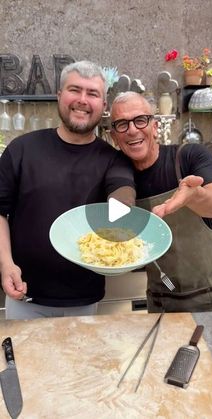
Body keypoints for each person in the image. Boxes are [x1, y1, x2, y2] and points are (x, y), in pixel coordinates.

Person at [0, 61, 136, 320]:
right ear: (59, 96)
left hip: (84, 301)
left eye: (93, 93)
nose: (83, 100)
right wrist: (6, 264)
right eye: (75, 90)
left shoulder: (112, 159)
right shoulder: (22, 149)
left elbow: (122, 189)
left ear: (103, 106)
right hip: (24, 295)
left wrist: (121, 211)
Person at [110, 91, 212, 312]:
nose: (132, 130)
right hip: (161, 300)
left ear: (155, 127)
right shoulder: (120, 180)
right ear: (114, 137)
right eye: (122, 124)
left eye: (140, 120)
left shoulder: (188, 156)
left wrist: (195, 196)